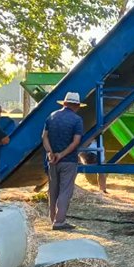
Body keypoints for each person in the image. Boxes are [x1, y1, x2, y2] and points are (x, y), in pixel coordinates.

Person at [42, 91, 84, 231]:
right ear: (77, 106)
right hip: (68, 160)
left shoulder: (52, 116)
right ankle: (59, 222)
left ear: (65, 103)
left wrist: (50, 153)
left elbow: (44, 137)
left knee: (53, 189)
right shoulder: (77, 120)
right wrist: (62, 154)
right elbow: (76, 141)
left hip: (52, 161)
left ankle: (52, 217)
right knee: (65, 191)